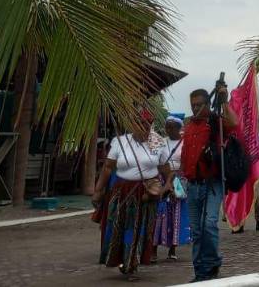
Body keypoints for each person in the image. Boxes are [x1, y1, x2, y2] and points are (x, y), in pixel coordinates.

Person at [92, 109, 173, 279]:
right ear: (132, 125)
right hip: (121, 191)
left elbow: (166, 170)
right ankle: (121, 260)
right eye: (139, 124)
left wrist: (165, 188)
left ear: (150, 125)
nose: (142, 128)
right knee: (118, 228)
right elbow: (107, 168)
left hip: (145, 194)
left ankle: (131, 264)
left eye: (146, 125)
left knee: (137, 229)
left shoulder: (157, 142)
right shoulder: (120, 142)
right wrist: (98, 191)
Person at [181, 87, 238, 283]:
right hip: (192, 185)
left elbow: (234, 123)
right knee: (196, 231)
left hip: (212, 184)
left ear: (207, 103)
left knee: (209, 224)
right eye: (193, 105)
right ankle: (200, 272)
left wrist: (223, 101)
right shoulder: (188, 126)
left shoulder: (216, 124)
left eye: (199, 105)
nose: (195, 108)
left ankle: (212, 262)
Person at [154, 115, 190, 261]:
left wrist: (176, 183)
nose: (168, 129)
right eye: (167, 126)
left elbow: (185, 163)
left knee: (176, 214)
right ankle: (153, 250)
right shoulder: (161, 142)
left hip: (178, 181)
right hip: (162, 178)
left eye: (171, 126)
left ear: (178, 127)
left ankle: (172, 250)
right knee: (159, 214)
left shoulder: (185, 143)